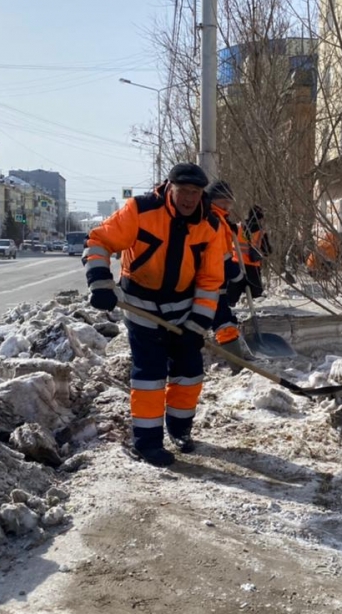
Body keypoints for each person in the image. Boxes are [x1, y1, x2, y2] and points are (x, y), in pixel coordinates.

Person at [84, 162, 223, 467]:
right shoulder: (140, 210)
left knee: (190, 372)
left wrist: (197, 323)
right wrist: (100, 281)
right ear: (169, 188)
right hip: (141, 306)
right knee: (151, 373)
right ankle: (147, 442)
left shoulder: (211, 226)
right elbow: (99, 240)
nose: (189, 198)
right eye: (183, 191)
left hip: (185, 310)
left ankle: (180, 428)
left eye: (195, 193)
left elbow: (211, 280)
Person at [205, 180, 247, 365]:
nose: (228, 206)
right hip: (210, 279)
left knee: (217, 317)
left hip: (213, 279)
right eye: (225, 202)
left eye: (230, 203)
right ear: (216, 200)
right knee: (223, 320)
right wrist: (237, 275)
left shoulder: (217, 218)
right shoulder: (213, 220)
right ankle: (237, 364)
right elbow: (220, 255)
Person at [228, 205, 269, 306]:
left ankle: (231, 309)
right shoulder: (261, 232)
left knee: (231, 296)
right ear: (260, 217)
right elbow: (267, 251)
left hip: (236, 265)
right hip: (253, 267)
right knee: (257, 296)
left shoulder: (237, 227)